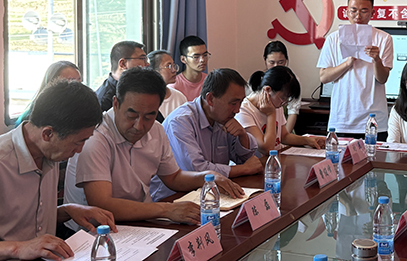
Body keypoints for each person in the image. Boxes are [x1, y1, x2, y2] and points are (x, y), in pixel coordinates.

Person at [64, 68, 243, 227]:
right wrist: (166, 210)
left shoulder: (156, 129)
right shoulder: (96, 138)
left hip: (141, 223)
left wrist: (207, 177)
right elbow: (103, 204)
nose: (139, 126)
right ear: (116, 104)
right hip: (94, 232)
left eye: (149, 116)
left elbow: (173, 177)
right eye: (132, 115)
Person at [0, 81, 116, 261]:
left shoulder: (49, 152)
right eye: (77, 142)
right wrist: (19, 248)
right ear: (48, 134)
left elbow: (24, 219)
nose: (79, 150)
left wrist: (67, 210)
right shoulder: (3, 162)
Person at [152, 69, 262, 201]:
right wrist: (244, 169)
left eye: (240, 102)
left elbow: (249, 161)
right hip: (172, 198)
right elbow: (197, 170)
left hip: (209, 194)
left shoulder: (223, 118)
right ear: (210, 99)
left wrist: (242, 135)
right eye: (233, 103)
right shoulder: (181, 121)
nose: (237, 110)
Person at [317, 0, 393, 139]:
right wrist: (347, 63)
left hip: (373, 119)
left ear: (372, 13)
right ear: (346, 11)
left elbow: (382, 79)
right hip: (341, 119)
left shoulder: (384, 38)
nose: (358, 16)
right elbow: (324, 77)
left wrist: (376, 59)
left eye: (364, 11)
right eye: (353, 10)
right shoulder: (333, 39)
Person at [235, 66, 325, 156]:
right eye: (283, 98)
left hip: (278, 158)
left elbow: (284, 136)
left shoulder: (275, 103)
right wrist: (271, 114)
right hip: (261, 162)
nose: (284, 103)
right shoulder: (243, 111)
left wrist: (308, 140)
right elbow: (267, 149)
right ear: (268, 90)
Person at [15, 60, 81, 125]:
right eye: (72, 81)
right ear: (52, 83)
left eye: (79, 81)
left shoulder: (78, 107)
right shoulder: (33, 117)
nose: (79, 87)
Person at [95, 41, 149, 112]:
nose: (147, 64)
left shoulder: (137, 89)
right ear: (123, 64)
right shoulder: (104, 100)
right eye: (142, 59)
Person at [262, 41, 301, 133]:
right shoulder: (259, 80)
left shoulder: (292, 81)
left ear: (286, 60)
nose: (276, 66)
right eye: (272, 62)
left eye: (280, 62)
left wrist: (284, 135)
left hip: (284, 128)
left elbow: (293, 112)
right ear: (265, 60)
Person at [148, 50, 187, 118]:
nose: (174, 70)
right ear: (154, 71)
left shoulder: (179, 97)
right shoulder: (146, 99)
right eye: (169, 66)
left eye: (173, 65)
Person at [173, 35, 210, 101]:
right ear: (183, 59)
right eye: (196, 57)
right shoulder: (174, 86)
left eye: (205, 55)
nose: (202, 60)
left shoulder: (210, 82)